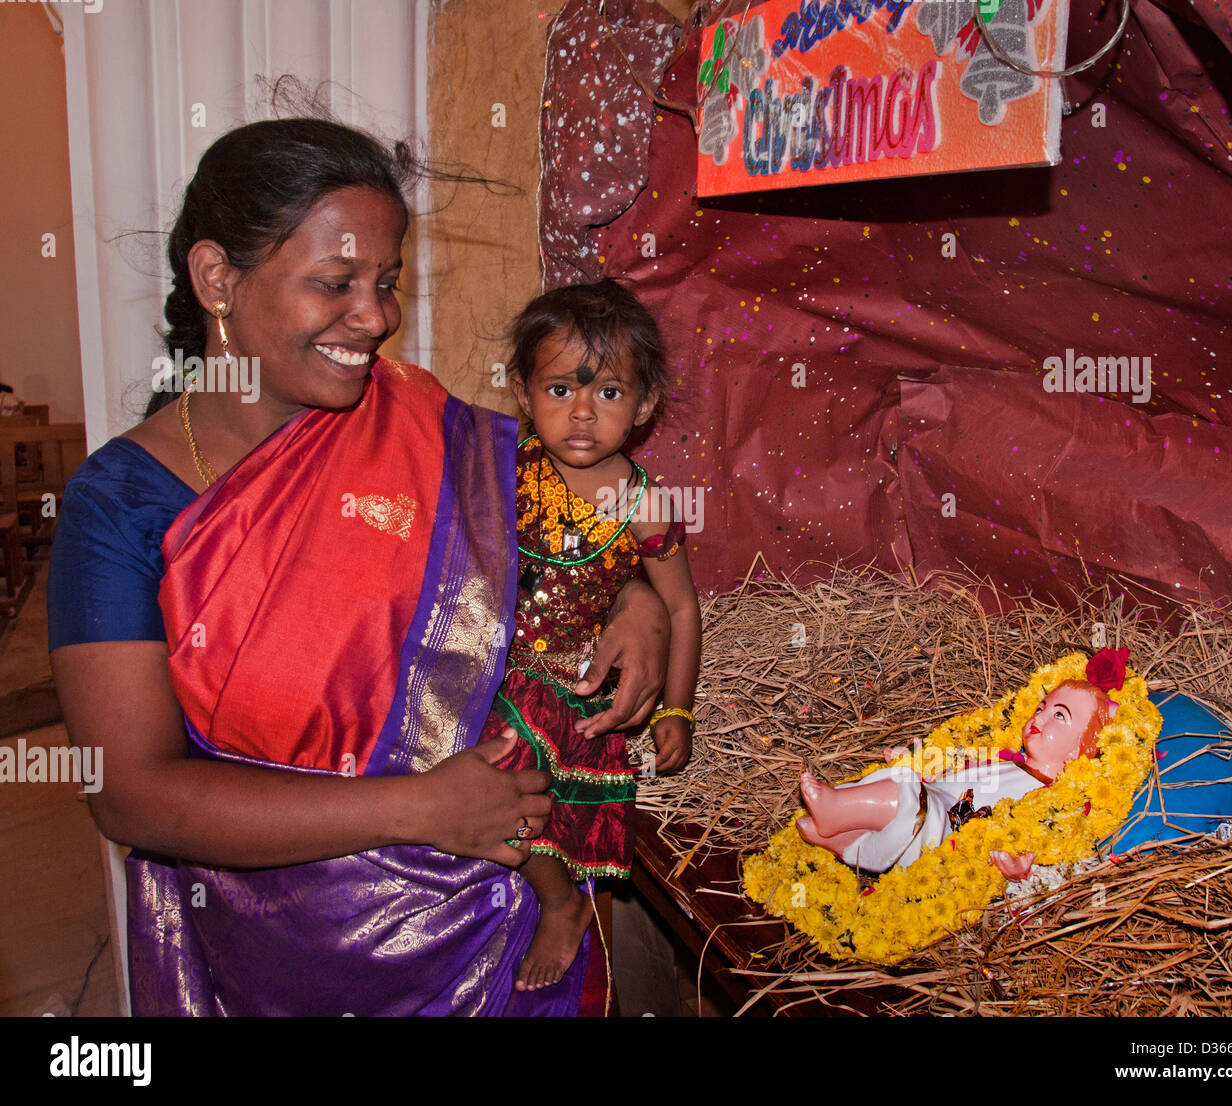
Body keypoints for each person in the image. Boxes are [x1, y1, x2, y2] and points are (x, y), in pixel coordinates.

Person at [47, 118, 670, 1016]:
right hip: (276, 958)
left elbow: (563, 522)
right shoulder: (120, 506)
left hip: (489, 928)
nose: (376, 317)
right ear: (219, 278)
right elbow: (134, 795)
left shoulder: (412, 422)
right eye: (335, 284)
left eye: (384, 284)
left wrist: (640, 599)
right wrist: (414, 810)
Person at [481, 280, 702, 990]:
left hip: (575, 684)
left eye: (607, 394)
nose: (581, 413)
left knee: (510, 766)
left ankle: (560, 907)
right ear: (521, 390)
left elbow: (681, 610)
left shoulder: (644, 503)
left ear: (642, 406)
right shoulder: (502, 476)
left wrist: (675, 709)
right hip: (495, 667)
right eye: (558, 390)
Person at [797, 678, 1119, 878]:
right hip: (936, 799)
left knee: (905, 796)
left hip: (945, 837)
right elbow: (956, 765)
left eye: (1059, 716)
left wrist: (1025, 873)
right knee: (899, 779)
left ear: (1080, 749)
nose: (1040, 717)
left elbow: (1063, 862)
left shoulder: (1055, 803)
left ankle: (834, 811)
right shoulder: (1006, 758)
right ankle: (839, 838)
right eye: (1042, 707)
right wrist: (917, 761)